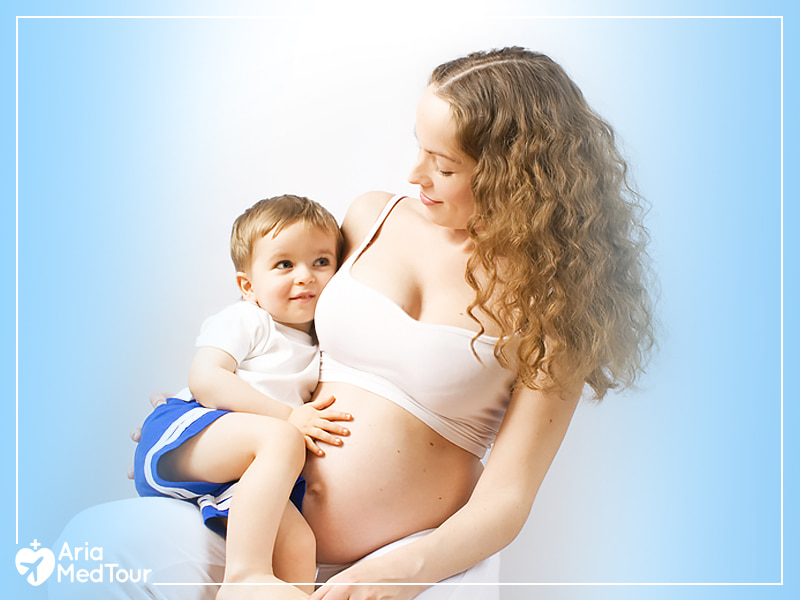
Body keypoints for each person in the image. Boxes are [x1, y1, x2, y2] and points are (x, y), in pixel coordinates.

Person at [50, 47, 655, 600]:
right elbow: (288, 322)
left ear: (516, 173)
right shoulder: (371, 218)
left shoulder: (556, 306)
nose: (415, 175)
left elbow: (508, 497)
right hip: (257, 529)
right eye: (417, 146)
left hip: (404, 562)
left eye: (443, 164)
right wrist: (208, 409)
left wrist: (406, 570)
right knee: (96, 545)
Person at [132, 194, 351, 600]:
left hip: (241, 471)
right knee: (282, 439)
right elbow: (206, 379)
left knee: (300, 545)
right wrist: (287, 417)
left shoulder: (320, 341)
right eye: (285, 264)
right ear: (248, 285)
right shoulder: (248, 319)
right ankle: (244, 577)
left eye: (321, 262)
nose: (305, 276)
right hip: (191, 431)